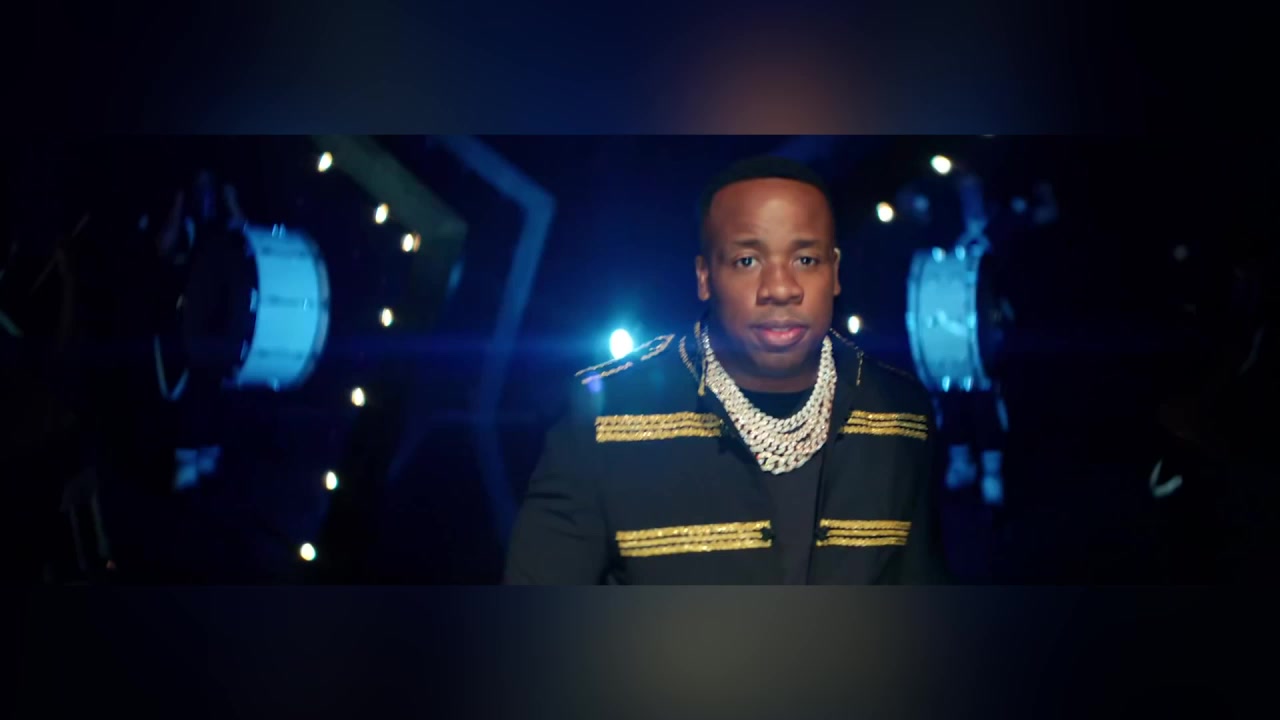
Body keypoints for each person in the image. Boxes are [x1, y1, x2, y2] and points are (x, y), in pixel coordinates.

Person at [505, 156, 949, 584]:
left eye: (805, 260)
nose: (781, 288)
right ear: (705, 277)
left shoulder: (900, 414)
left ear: (834, 273)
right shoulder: (605, 418)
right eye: (747, 261)